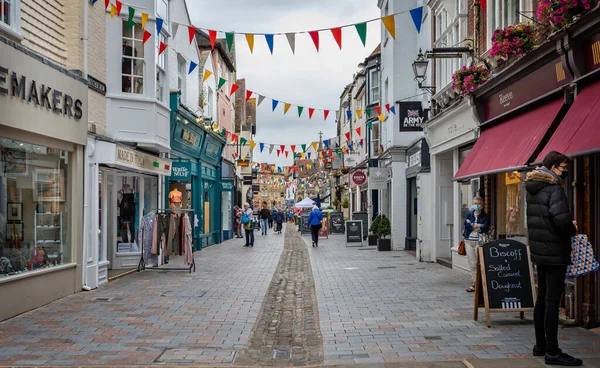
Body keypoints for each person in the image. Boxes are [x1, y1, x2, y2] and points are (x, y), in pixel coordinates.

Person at [526, 151, 580, 366]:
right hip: (555, 251)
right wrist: (572, 228)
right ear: (555, 166)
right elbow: (561, 220)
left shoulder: (532, 188)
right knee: (551, 302)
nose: (565, 172)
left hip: (540, 250)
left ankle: (540, 345)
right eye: (564, 168)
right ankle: (553, 352)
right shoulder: (553, 188)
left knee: (542, 299)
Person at [462, 196, 489, 293]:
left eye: (478, 203)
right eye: (475, 203)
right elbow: (466, 225)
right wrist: (478, 225)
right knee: (472, 263)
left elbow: (485, 227)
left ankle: (480, 283)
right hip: (468, 241)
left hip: (479, 242)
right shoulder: (469, 214)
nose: (476, 205)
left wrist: (474, 225)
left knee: (479, 263)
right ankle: (475, 282)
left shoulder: (485, 216)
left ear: (482, 204)